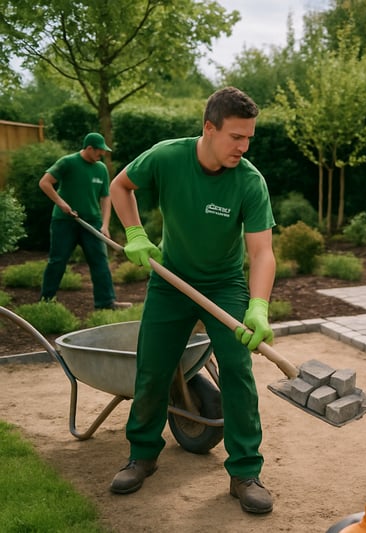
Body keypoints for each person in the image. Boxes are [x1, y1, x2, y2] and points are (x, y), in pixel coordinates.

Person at [108, 87, 277, 515]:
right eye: (236, 137)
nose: (244, 146)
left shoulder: (249, 181)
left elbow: (262, 252)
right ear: (209, 128)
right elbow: (120, 186)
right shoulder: (167, 157)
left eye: (249, 138)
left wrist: (258, 306)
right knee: (153, 368)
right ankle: (142, 455)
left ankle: (245, 472)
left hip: (224, 285)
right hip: (171, 281)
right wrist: (135, 233)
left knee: (238, 371)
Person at [38, 132, 131, 310]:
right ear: (89, 148)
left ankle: (106, 302)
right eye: (99, 150)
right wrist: (61, 203)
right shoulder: (68, 162)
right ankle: (46, 301)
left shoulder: (101, 168)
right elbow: (45, 182)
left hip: (92, 222)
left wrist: (105, 225)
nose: (102, 153)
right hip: (64, 221)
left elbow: (105, 197)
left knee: (100, 262)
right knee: (57, 261)